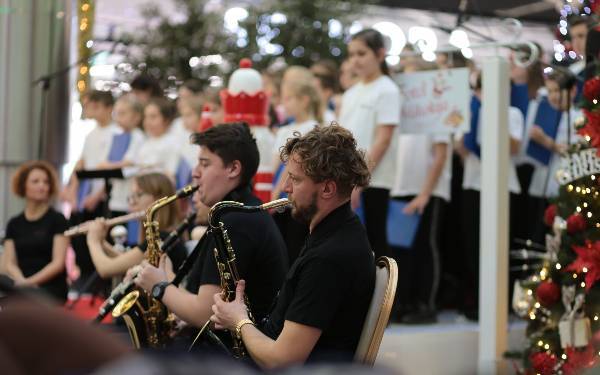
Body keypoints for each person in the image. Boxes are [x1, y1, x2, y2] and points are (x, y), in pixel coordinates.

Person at [210, 125, 375, 368]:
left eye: (295, 180)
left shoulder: (329, 258)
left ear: (327, 188)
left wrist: (239, 320)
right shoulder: (337, 232)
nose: (285, 188)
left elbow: (282, 359)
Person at [133, 123, 288, 334]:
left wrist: (159, 285)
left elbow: (204, 313)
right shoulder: (236, 213)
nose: (195, 173)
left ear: (233, 169)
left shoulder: (235, 221)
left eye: (204, 164)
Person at [339, 28, 401, 258]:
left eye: (362, 53)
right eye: (352, 54)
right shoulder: (351, 93)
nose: (355, 59)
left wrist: (360, 181)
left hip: (374, 180)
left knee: (375, 244)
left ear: (380, 54)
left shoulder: (387, 90)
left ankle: (385, 294)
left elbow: (383, 139)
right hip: (347, 179)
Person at [85, 172, 187, 279]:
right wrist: (101, 241)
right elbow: (126, 261)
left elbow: (106, 269)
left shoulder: (163, 238)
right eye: (131, 196)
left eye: (139, 195)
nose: (132, 202)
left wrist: (93, 240)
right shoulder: (164, 234)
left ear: (159, 199)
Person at [2, 161, 69, 302]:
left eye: (46, 182)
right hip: (20, 283)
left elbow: (58, 264)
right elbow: (9, 263)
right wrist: (21, 281)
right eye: (35, 181)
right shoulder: (14, 223)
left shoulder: (58, 219)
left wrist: (29, 283)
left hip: (49, 286)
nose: (42, 186)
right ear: (23, 186)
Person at [133, 98, 181, 178]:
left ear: (166, 119)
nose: (147, 122)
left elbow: (170, 176)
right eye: (146, 117)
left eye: (153, 117)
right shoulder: (146, 141)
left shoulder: (173, 143)